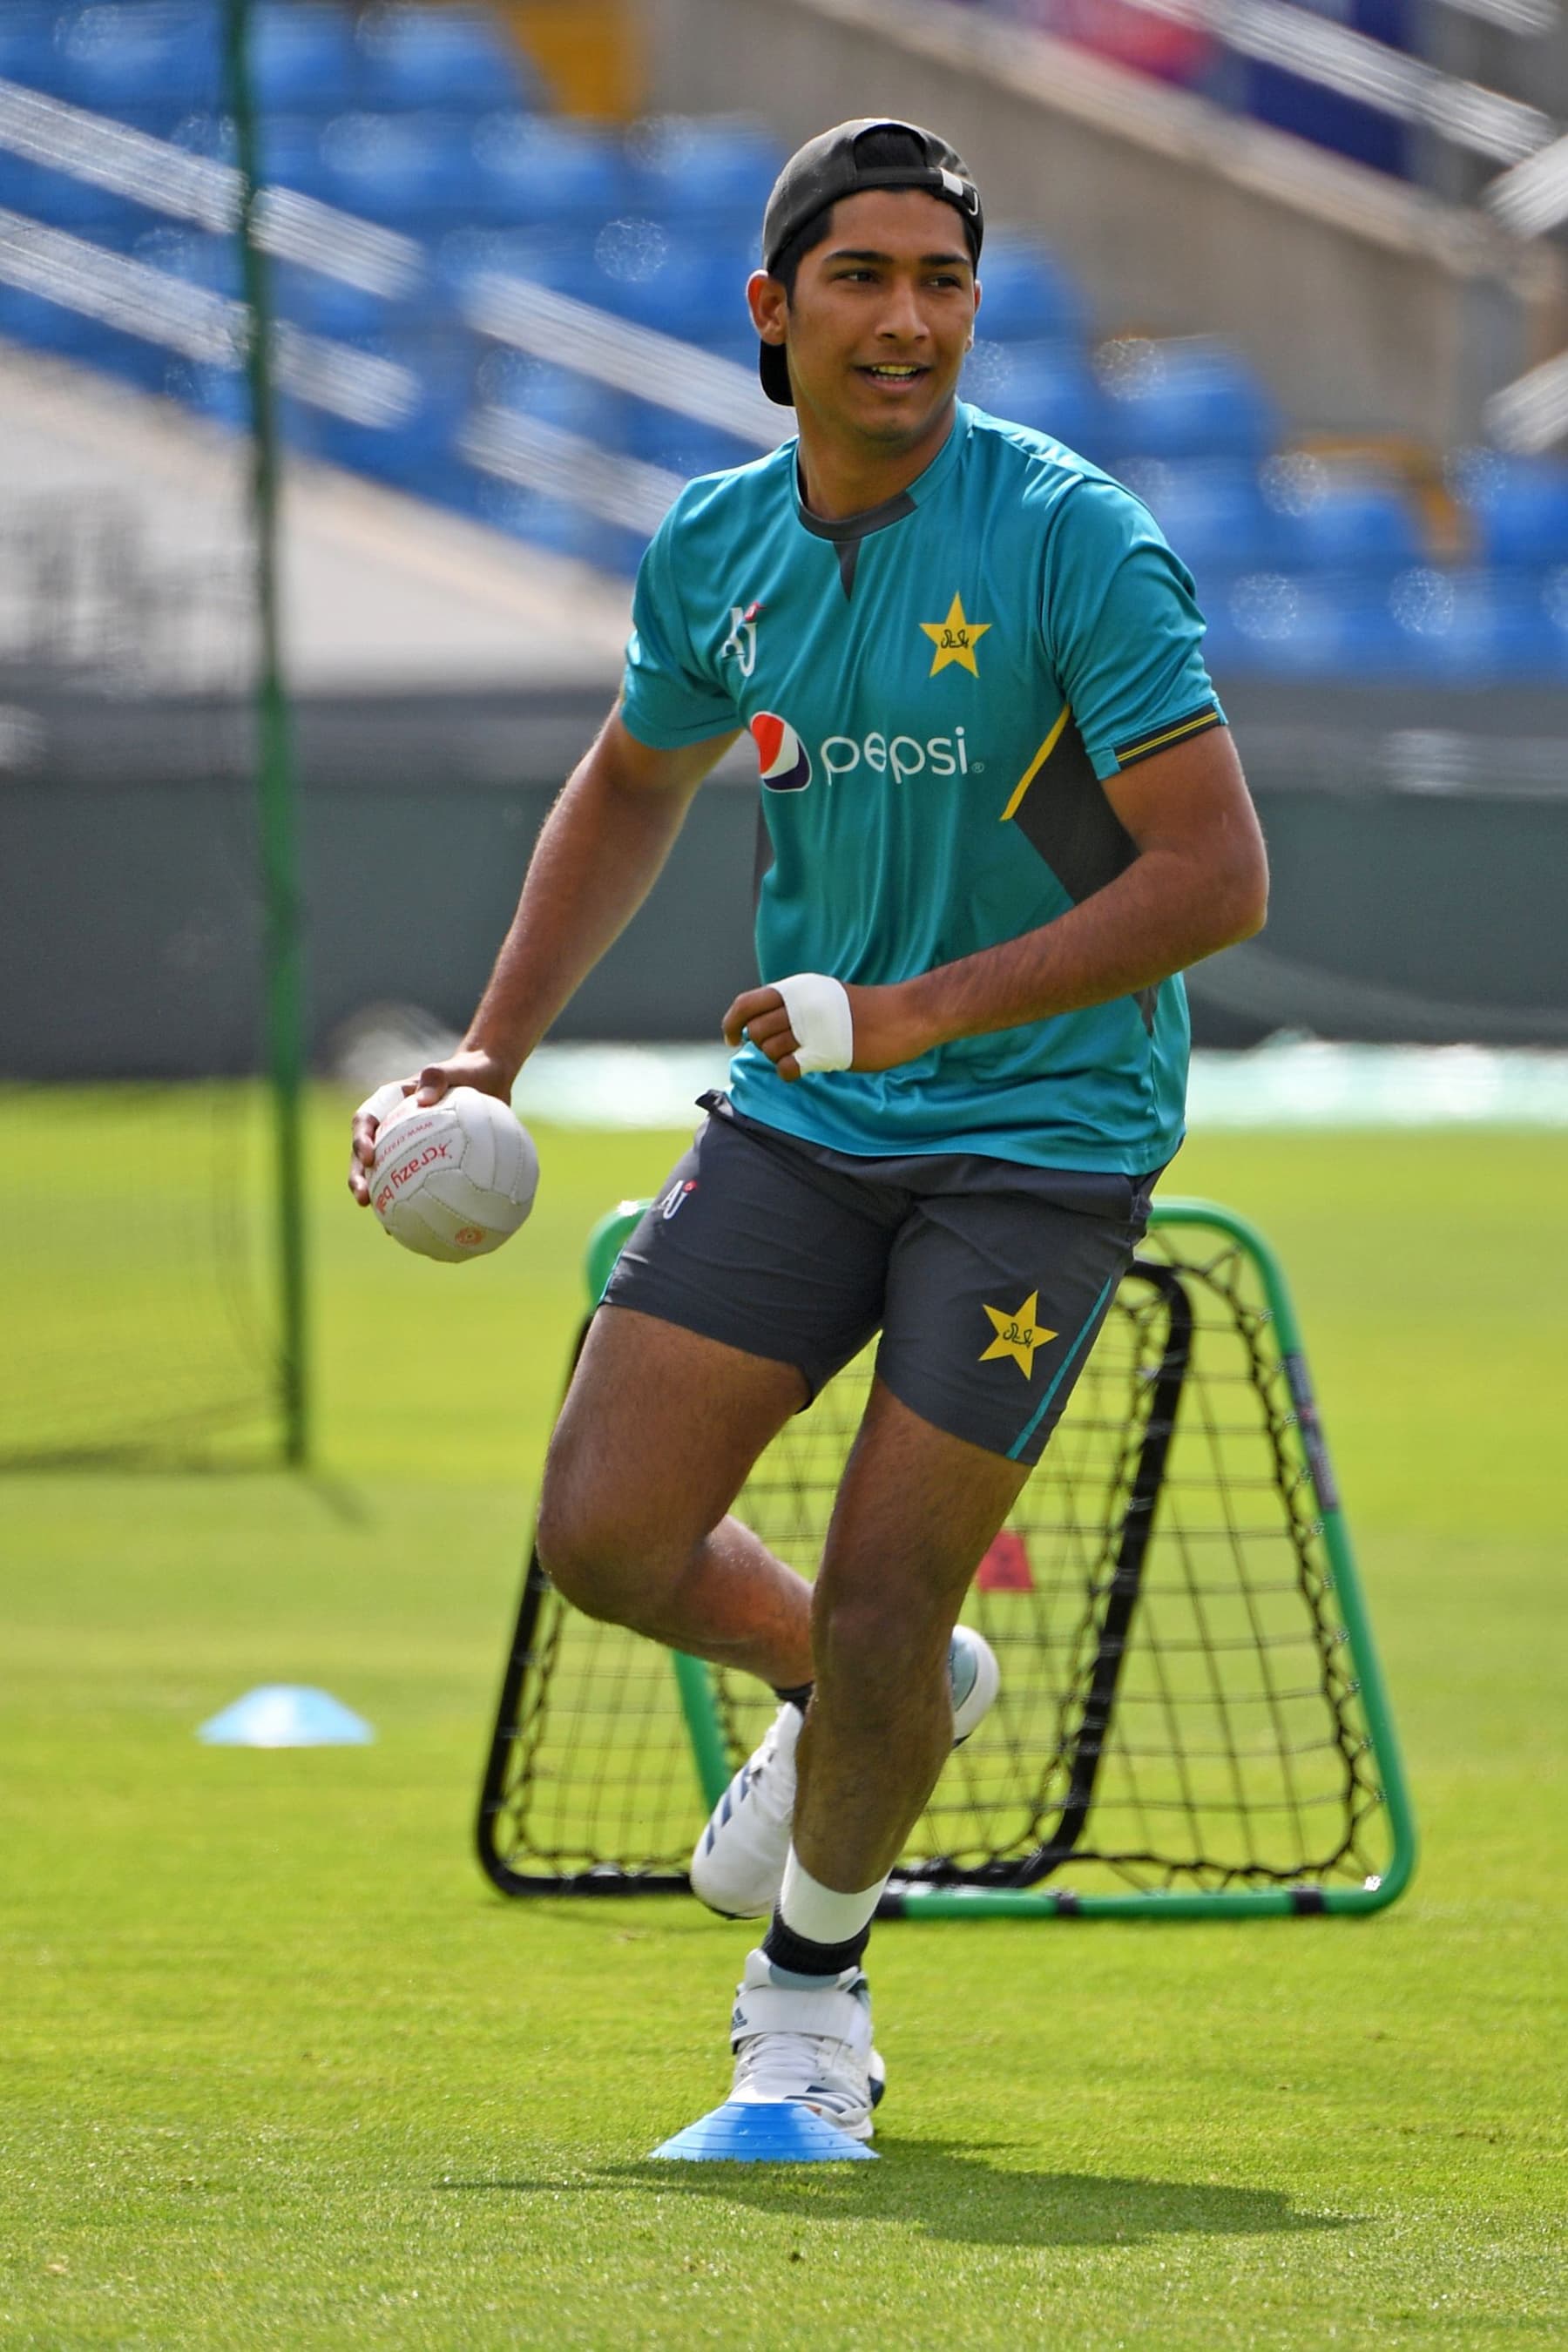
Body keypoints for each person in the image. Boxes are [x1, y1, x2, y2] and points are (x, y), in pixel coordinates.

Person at [349, 118, 1268, 2144]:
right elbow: (629, 783)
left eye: (943, 283)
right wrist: (488, 1054)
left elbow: (1214, 879)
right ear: (773, 312)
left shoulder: (1071, 540)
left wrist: (918, 1011)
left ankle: (810, 1998)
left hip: (1040, 1132)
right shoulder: (716, 546)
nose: (908, 321)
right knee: (604, 1533)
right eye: (861, 278)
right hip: (803, 1123)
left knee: (881, 1592)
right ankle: (884, 1700)